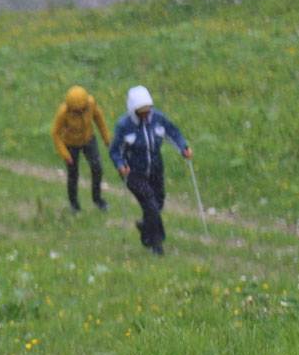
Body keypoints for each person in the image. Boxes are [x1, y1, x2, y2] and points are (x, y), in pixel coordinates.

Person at [109, 86, 193, 256]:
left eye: (148, 110)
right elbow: (115, 150)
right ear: (133, 111)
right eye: (141, 112)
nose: (146, 114)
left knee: (159, 202)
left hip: (155, 167)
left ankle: (145, 225)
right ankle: (156, 242)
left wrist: (183, 148)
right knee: (150, 204)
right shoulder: (124, 125)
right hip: (133, 172)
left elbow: (173, 133)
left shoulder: (158, 118)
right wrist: (120, 165)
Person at [52, 86, 111, 213]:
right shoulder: (63, 113)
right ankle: (74, 204)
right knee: (73, 174)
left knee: (97, 168)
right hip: (70, 144)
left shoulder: (91, 104)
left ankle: (98, 200)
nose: (80, 113)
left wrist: (106, 138)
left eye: (82, 110)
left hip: (88, 140)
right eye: (76, 111)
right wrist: (65, 154)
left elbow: (99, 120)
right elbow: (55, 134)